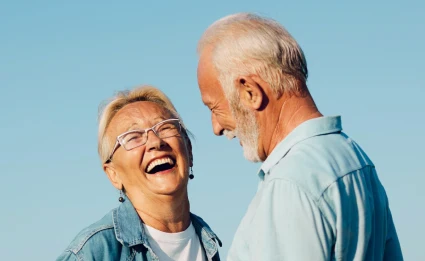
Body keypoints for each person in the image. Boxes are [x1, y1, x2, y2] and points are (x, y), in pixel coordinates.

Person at [197, 13, 403, 260]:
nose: (216, 127)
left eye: (214, 108)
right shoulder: (355, 158)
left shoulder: (290, 182)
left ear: (250, 92)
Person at [57, 86, 221, 261]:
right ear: (113, 174)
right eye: (133, 136)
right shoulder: (94, 252)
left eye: (165, 127)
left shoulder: (207, 242)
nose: (155, 142)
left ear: (189, 150)